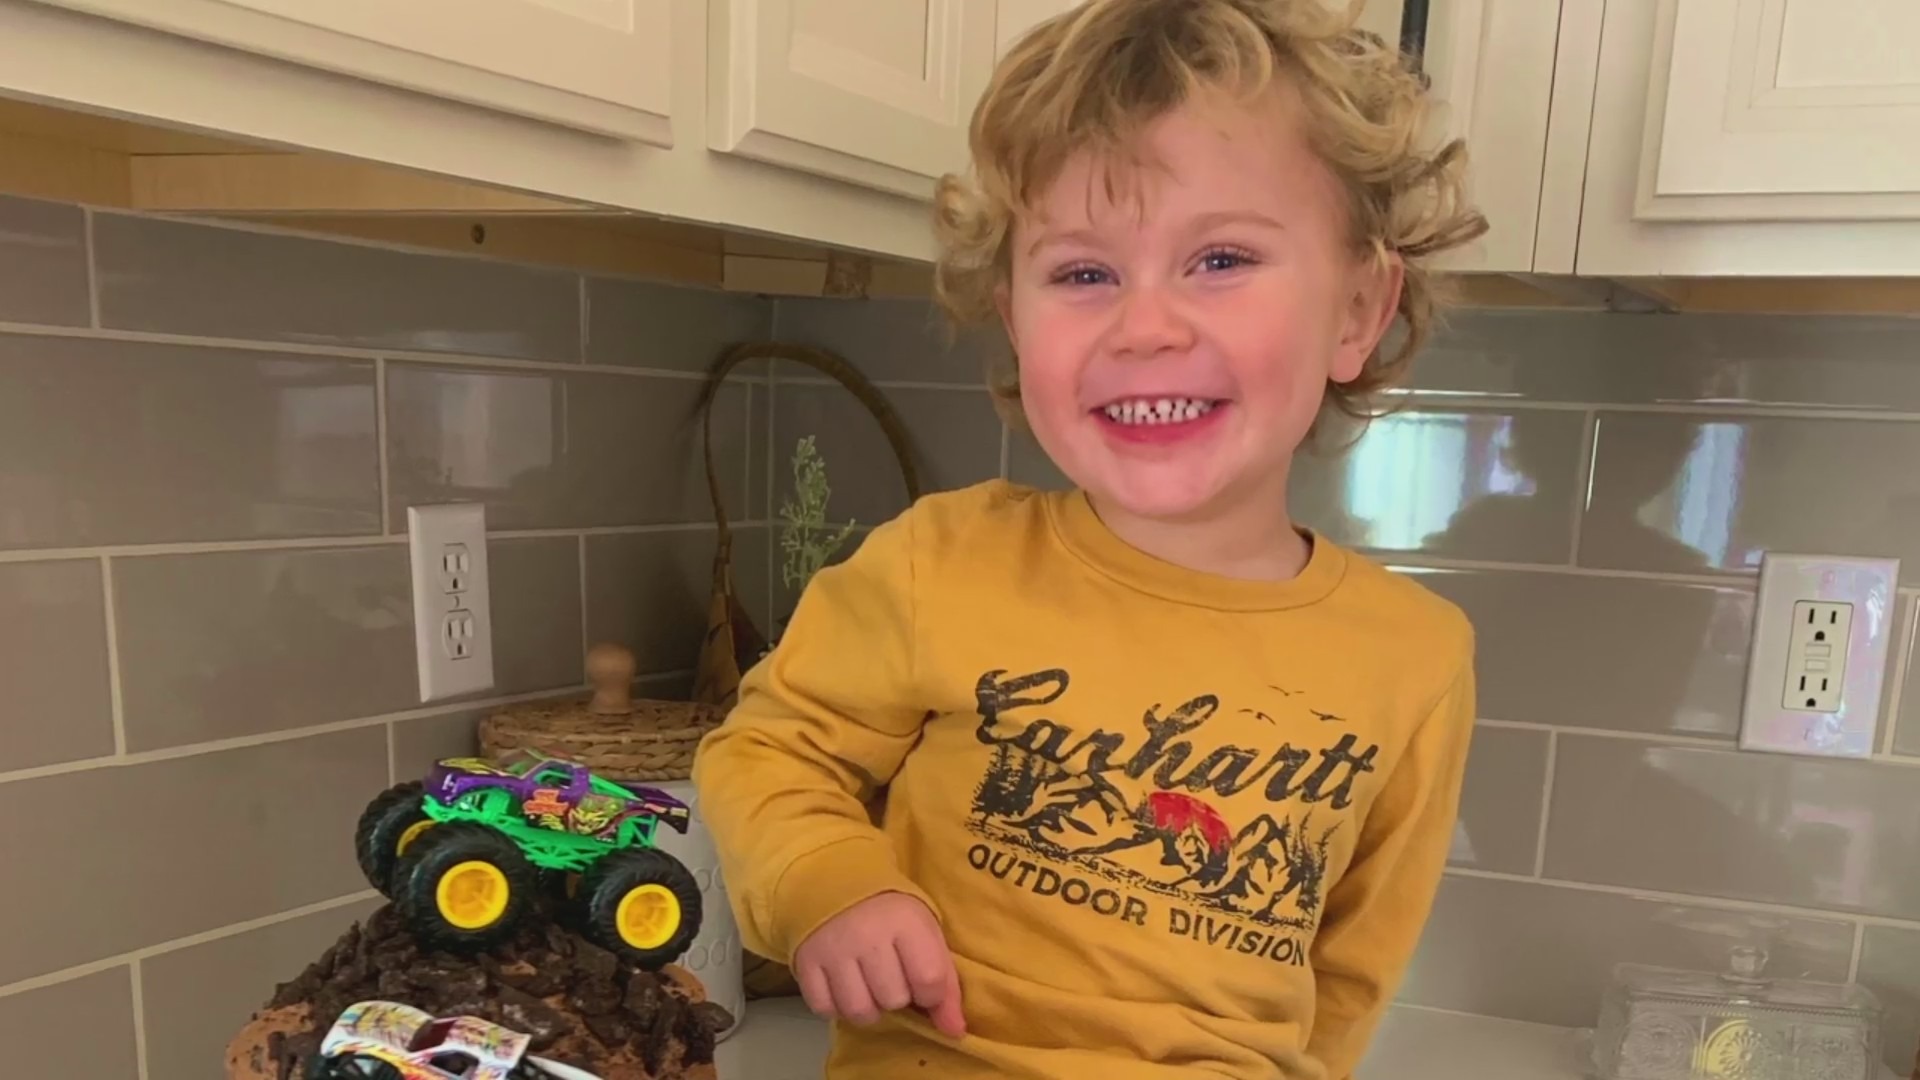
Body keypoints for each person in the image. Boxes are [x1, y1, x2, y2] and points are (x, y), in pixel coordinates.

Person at [690, 1, 1489, 1076]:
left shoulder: (1417, 658)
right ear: (1018, 322)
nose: (1145, 325)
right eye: (1082, 273)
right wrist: (834, 886)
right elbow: (768, 752)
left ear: (1357, 310)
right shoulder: (943, 563)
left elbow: (1349, 976)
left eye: (1221, 259)